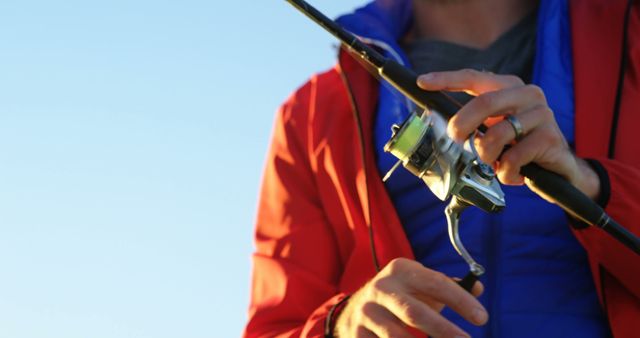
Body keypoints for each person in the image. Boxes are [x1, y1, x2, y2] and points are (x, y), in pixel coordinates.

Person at [245, 0, 640, 337]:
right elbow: (276, 325)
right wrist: (342, 324)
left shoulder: (629, 34)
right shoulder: (309, 117)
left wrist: (591, 186)